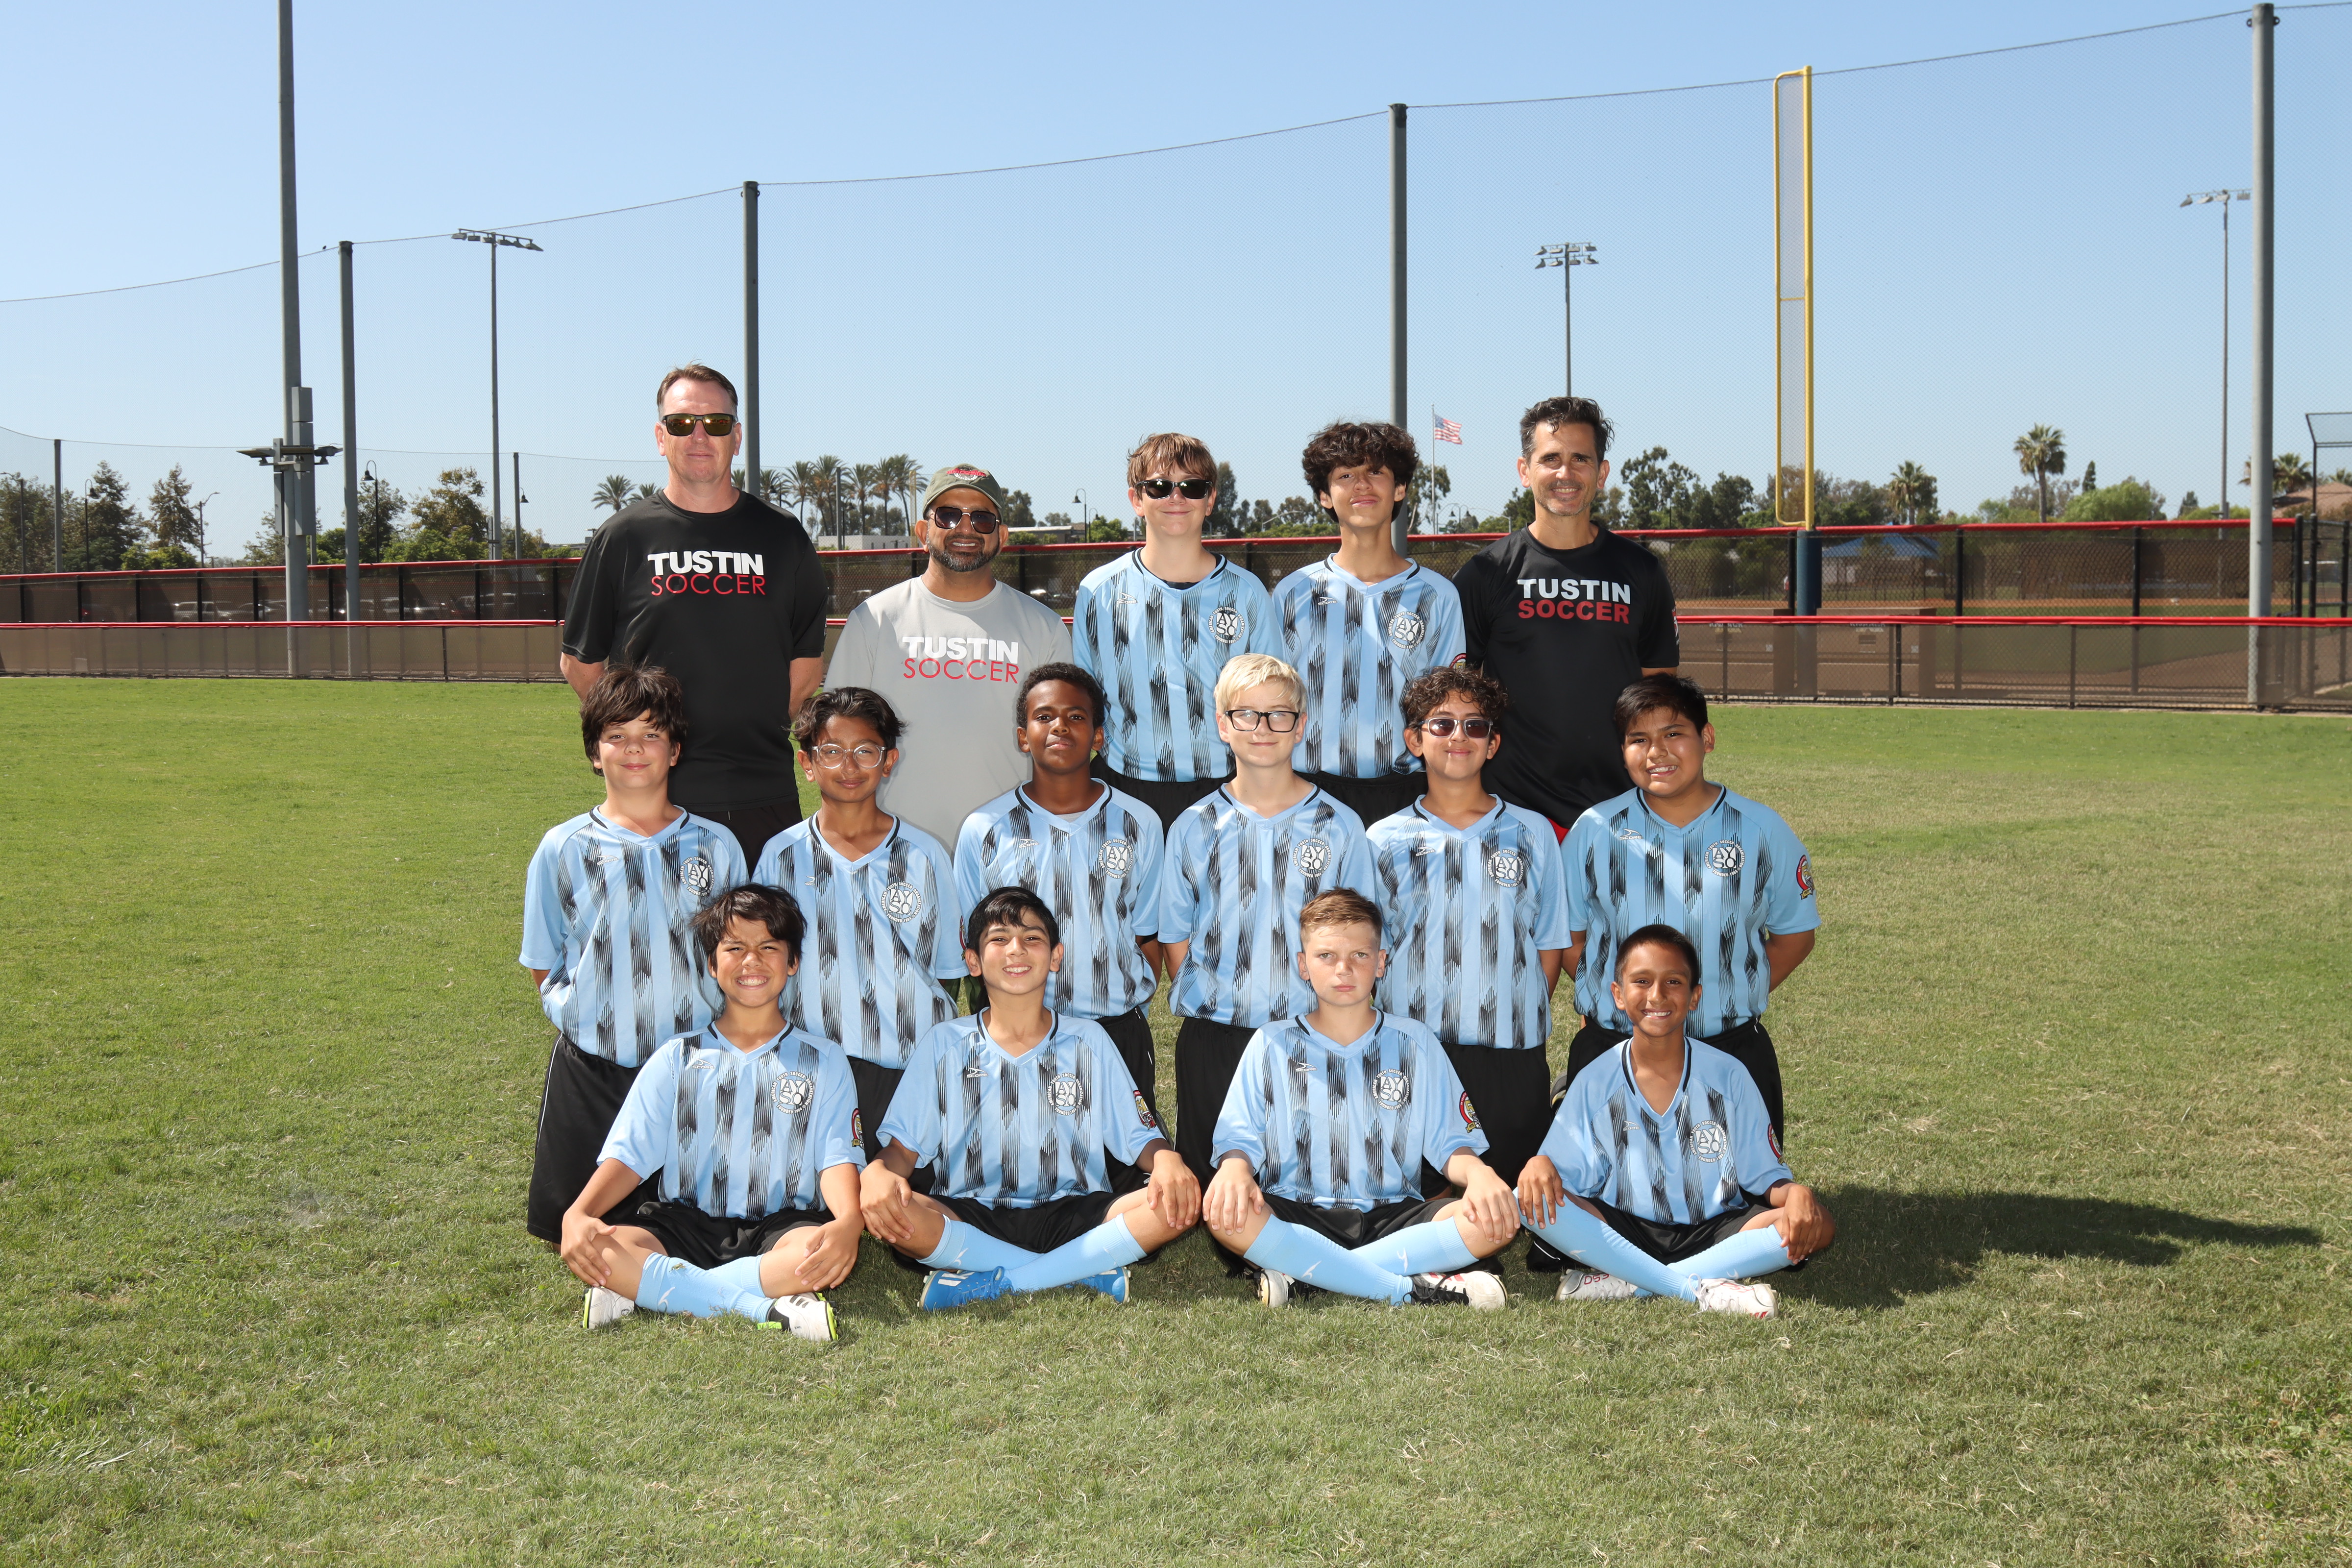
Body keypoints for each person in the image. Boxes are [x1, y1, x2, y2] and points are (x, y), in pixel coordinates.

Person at [861, 888, 1200, 1309]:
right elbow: (902, 1150)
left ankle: (993, 1277)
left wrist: (1167, 1159)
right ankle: (1078, 1270)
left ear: (1056, 957)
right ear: (973, 961)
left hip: (1074, 1210)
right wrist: (878, 1172)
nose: (1016, 949)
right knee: (898, 1210)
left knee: (1175, 1203)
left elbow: (1140, 1136)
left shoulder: (1089, 1040)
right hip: (972, 1211)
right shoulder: (945, 1043)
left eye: (1032, 938)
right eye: (999, 939)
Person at [560, 885, 862, 1343]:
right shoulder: (677, 1056)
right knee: (606, 1245)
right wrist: (578, 1213)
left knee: (812, 1251)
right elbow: (629, 1156)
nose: (751, 962)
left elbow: (837, 1159)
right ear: (712, 965)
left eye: (769, 948)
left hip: (780, 1227)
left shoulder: (825, 1059)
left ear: (793, 962)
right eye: (734, 949)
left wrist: (849, 1222)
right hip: (682, 1221)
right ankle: (765, 1309)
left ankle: (649, 1288)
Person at [560, 364, 828, 866]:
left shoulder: (783, 536)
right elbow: (580, 663)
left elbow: (806, 666)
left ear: (737, 437)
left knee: (764, 921)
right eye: (682, 423)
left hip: (762, 792)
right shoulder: (623, 537)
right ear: (661, 437)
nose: (700, 435)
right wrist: (638, 742)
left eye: (716, 423)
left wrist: (752, 729)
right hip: (654, 802)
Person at [1200, 891, 1516, 1309]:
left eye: (1360, 955)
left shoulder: (1415, 1042)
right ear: (1303, 965)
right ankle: (1407, 1288)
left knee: (1494, 1219)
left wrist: (1479, 1175)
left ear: (1381, 962)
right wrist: (1234, 1169)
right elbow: (1239, 1138)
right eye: (1326, 956)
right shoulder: (1271, 1043)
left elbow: (1451, 1143)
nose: (1343, 969)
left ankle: (1309, 1278)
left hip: (1394, 1214)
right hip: (1297, 1212)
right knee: (1229, 1215)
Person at [520, 665, 746, 1244]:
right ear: (595, 753)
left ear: (675, 749)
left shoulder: (716, 845)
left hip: (692, 1065)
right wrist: (580, 1011)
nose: (634, 749)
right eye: (616, 735)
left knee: (702, 1226)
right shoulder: (563, 846)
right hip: (595, 1066)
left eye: (651, 734)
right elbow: (545, 959)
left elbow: (740, 955)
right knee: (570, 1225)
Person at [1516, 924, 1833, 1318]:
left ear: (1694, 996)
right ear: (1618, 994)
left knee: (1819, 1223)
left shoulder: (1729, 1075)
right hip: (1623, 1229)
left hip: (1715, 1228)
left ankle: (1631, 1281)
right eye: (1642, 981)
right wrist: (1540, 1163)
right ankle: (1702, 1285)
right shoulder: (1596, 1079)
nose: (1657, 996)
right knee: (1524, 1201)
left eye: (1673, 982)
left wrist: (1794, 1192)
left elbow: (1766, 1177)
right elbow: (1557, 1175)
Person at [1559, 675, 1817, 1143]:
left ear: (1707, 738)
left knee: (1739, 1183)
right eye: (1639, 739)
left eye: (1673, 733)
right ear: (1623, 751)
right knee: (1604, 1183)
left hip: (1728, 1049)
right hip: (1615, 1048)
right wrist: (1627, 1001)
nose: (1656, 752)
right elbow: (1570, 939)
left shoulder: (1762, 830)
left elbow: (1795, 936)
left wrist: (1725, 991)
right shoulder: (1594, 830)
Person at [1158, 653, 1376, 1198]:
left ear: (1300, 726)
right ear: (1222, 724)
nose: (1262, 728)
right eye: (1246, 714)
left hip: (1309, 1027)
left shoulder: (1339, 824)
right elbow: (1176, 934)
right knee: (1216, 1192)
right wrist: (1215, 996)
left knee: (1304, 1185)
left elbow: (1359, 931)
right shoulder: (1194, 826)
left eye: (1279, 715)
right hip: (1218, 1031)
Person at [1366, 668, 1569, 1189]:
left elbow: (1548, 943)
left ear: (1493, 744)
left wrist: (1510, 1011)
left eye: (1476, 726)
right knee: (1418, 1198)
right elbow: (1373, 950)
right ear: (1415, 740)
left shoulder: (1532, 832)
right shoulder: (1383, 840)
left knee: (1510, 1198)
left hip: (1508, 1053)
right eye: (1442, 724)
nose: (1460, 736)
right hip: (1416, 1049)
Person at [954, 663, 1167, 1145]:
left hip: (1115, 1028)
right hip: (1017, 1031)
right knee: (1024, 1158)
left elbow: (1146, 932)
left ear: (1098, 737)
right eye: (1044, 716)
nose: (1060, 727)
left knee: (1129, 1164)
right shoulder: (985, 829)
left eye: (1076, 716)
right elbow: (976, 943)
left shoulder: (1140, 822)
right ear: (1022, 736)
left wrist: (1121, 997)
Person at [752, 687, 964, 1165]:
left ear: (889, 761)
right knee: (822, 1196)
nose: (849, 766)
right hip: (813, 1066)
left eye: (865, 751)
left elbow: (946, 972)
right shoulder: (780, 856)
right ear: (807, 763)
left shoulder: (924, 855)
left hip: (907, 1067)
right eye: (832, 751)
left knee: (906, 1197)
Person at [1451, 396, 1680, 833]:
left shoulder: (1642, 571)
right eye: (1551, 459)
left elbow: (1660, 694)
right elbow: (1457, 693)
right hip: (1511, 811)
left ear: (1602, 473)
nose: (1566, 473)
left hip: (1619, 811)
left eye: (1581, 459)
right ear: (1525, 471)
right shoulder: (1486, 573)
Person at [825, 465, 1072, 850]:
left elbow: (1062, 753)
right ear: (923, 531)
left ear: (1002, 536)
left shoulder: (1044, 627)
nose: (966, 528)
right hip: (895, 850)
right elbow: (835, 741)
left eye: (983, 518)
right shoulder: (874, 620)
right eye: (948, 515)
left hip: (1009, 849)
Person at [1073, 433, 1282, 833]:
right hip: (1125, 787)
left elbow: (1272, 700)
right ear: (1137, 499)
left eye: (1192, 487)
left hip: (1227, 788)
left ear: (1211, 499)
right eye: (1159, 486)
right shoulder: (1099, 591)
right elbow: (1085, 696)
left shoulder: (1246, 591)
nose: (1176, 498)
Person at [1270, 420, 1465, 827]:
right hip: (1308, 790)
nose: (1362, 484)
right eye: (1345, 475)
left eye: (1376, 471)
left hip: (1407, 791)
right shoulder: (1294, 591)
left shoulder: (1437, 595)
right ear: (1325, 496)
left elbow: (1447, 707)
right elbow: (1273, 701)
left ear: (1400, 488)